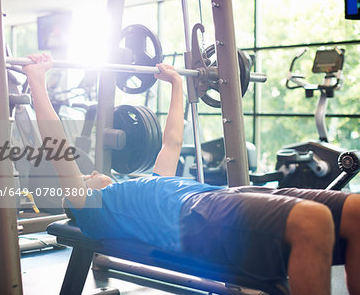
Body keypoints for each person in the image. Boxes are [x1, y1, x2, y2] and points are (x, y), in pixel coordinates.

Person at [23, 53, 360, 295]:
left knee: (355, 210)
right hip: (195, 218)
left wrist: (175, 83)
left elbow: (171, 140)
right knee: (312, 221)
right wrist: (37, 81)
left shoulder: (149, 183)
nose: (93, 171)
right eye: (85, 176)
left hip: (219, 197)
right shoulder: (91, 207)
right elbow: (56, 143)